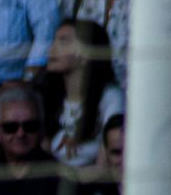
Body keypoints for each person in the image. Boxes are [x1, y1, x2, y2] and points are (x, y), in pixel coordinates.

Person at [43, 20, 124, 168]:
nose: (52, 48)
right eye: (53, 40)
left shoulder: (110, 97)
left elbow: (106, 164)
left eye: (63, 41)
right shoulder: (50, 96)